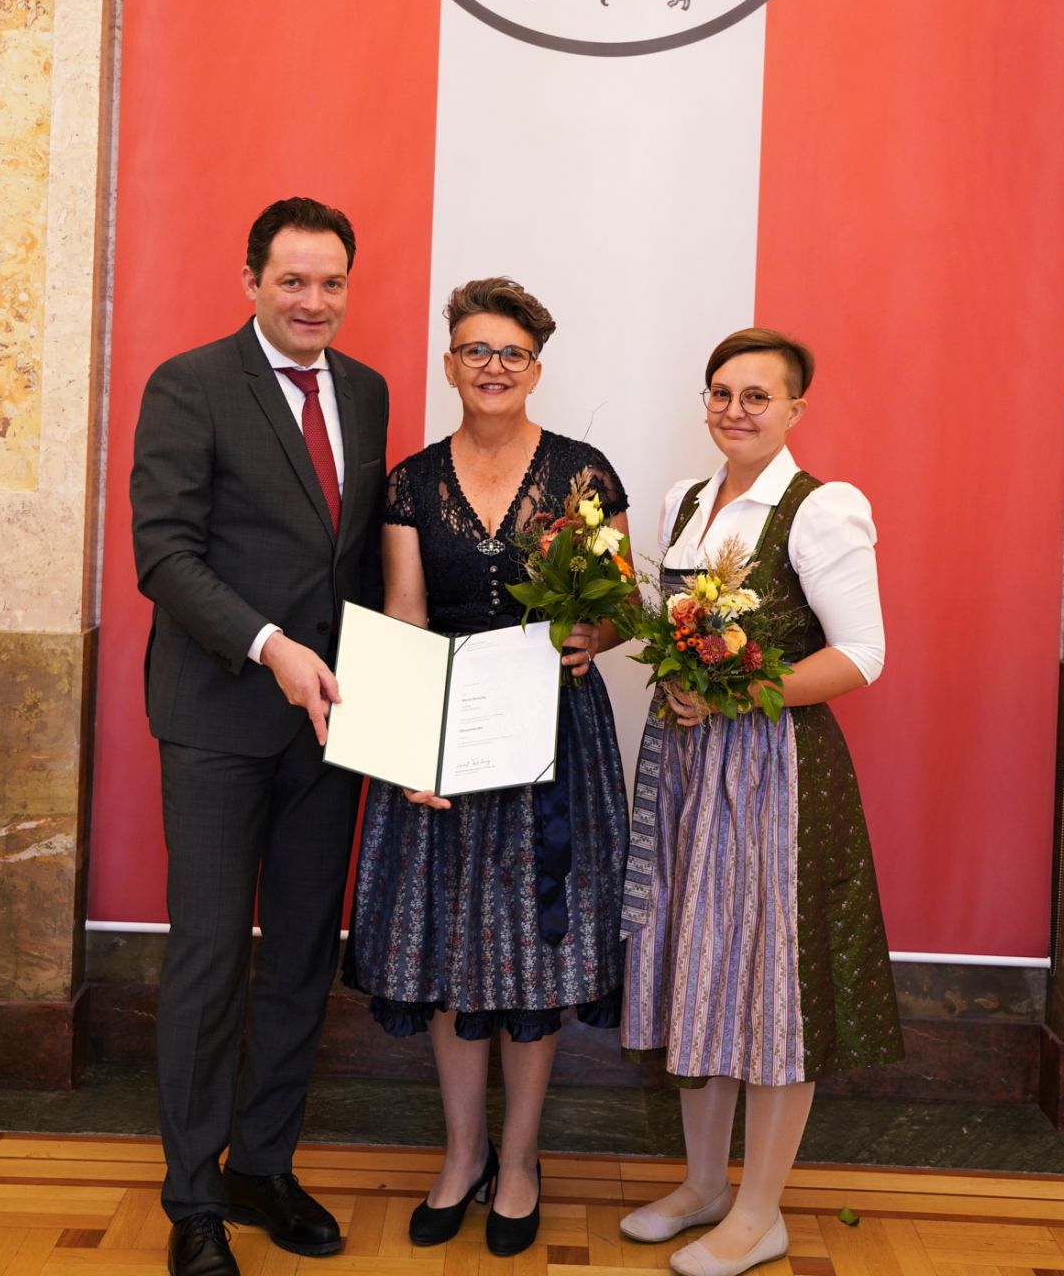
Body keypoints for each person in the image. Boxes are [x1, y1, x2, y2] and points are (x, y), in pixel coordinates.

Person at [343, 277, 630, 1260]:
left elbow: (621, 609)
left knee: (535, 954)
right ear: (450, 361)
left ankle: (519, 1161)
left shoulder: (586, 475)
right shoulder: (412, 481)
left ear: (536, 366)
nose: (493, 365)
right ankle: (461, 1155)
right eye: (475, 348)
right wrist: (409, 743)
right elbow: (407, 613)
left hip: (554, 733)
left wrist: (593, 632)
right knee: (453, 953)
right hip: (449, 734)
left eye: (510, 351)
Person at [131, 196, 389, 1276]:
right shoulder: (189, 384)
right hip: (221, 715)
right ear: (250, 282)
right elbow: (164, 553)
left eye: (331, 281)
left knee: (297, 958)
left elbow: (360, 561)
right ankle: (192, 1197)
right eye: (292, 280)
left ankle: (263, 1165)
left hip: (331, 728)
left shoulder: (368, 391)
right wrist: (272, 644)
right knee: (206, 963)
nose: (313, 301)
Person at [619, 327, 902, 1276]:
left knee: (773, 986)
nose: (734, 410)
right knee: (700, 967)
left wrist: (743, 692)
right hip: (693, 769)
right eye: (721, 393)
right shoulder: (684, 503)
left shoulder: (822, 511)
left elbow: (861, 654)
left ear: (794, 410)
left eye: (757, 396)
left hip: (777, 772)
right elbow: (670, 634)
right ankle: (703, 1185)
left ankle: (761, 1210)